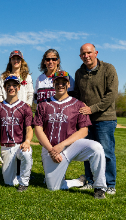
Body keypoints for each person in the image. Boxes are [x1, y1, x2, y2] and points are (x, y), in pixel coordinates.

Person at [33, 70, 107, 199]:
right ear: (53, 83)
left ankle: (99, 187)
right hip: (50, 148)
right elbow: (38, 129)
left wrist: (62, 145)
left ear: (68, 85)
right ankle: (78, 182)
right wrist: (51, 150)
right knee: (53, 187)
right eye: (58, 82)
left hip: (72, 146)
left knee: (96, 148)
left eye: (64, 82)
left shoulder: (78, 104)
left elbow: (84, 130)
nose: (60, 85)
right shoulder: (43, 104)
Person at [75, 43, 118, 195]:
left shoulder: (108, 69)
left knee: (106, 152)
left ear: (96, 53)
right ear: (80, 56)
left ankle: (110, 183)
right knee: (88, 152)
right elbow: (78, 95)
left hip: (105, 119)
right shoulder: (79, 73)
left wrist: (92, 109)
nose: (86, 56)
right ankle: (91, 180)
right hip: (86, 120)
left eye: (89, 53)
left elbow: (111, 95)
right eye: (83, 54)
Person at [0, 75, 33, 192]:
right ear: (4, 87)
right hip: (6, 147)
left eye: (14, 85)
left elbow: (29, 128)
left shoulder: (25, 107)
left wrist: (27, 141)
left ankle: (24, 182)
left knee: (27, 153)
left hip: (19, 145)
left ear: (19, 88)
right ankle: (22, 176)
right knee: (8, 183)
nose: (11, 87)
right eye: (8, 85)